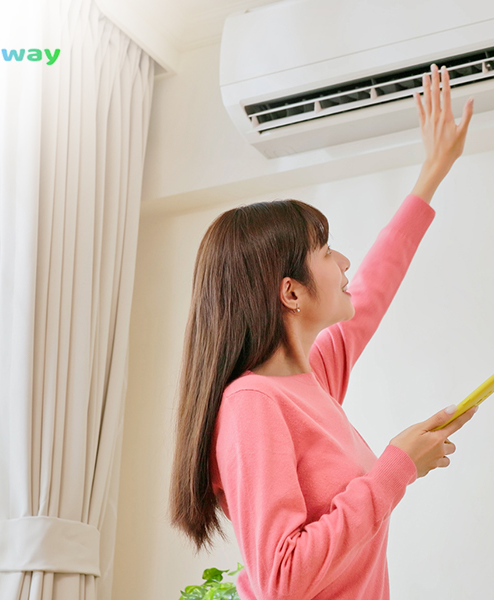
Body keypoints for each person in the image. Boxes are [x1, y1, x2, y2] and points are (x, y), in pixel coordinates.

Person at [169, 64, 477, 600]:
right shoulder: (253, 404)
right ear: (291, 292)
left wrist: (432, 172)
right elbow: (282, 580)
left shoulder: (316, 380)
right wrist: (394, 469)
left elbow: (377, 282)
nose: (345, 260)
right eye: (326, 251)